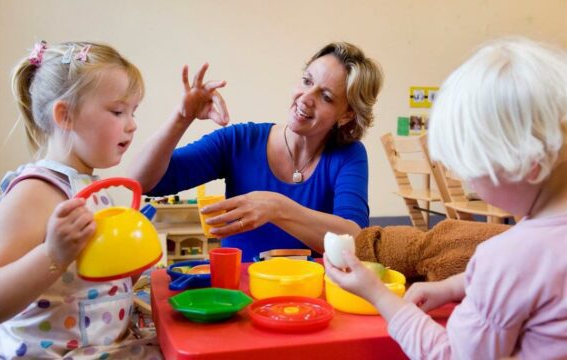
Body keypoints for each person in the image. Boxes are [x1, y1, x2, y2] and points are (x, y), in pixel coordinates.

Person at [325, 37, 567, 359]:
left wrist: (379, 295)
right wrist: (453, 287)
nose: (471, 185)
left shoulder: (506, 258)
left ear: (527, 165)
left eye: (471, 170)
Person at [130, 42, 383, 261]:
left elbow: (355, 240)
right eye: (306, 81)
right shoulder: (240, 141)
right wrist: (181, 118)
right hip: (239, 296)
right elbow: (141, 182)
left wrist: (277, 207)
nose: (306, 97)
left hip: (310, 300)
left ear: (348, 113)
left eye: (326, 96)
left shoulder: (348, 155)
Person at [0, 41, 161, 359]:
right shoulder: (34, 191)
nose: (132, 124)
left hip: (104, 347)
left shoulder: (93, 189)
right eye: (118, 111)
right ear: (65, 115)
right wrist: (51, 253)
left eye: (133, 112)